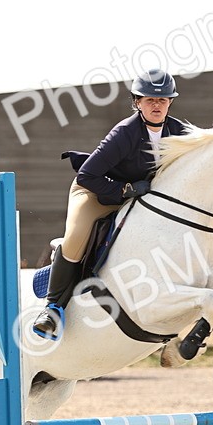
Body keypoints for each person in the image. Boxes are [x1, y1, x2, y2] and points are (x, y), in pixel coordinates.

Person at [31, 69, 188, 341]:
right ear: (137, 101)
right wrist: (124, 190)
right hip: (97, 191)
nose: (156, 105)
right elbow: (87, 175)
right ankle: (52, 308)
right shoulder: (125, 133)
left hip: (142, 198)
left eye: (162, 100)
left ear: (170, 103)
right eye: (150, 99)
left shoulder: (180, 132)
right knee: (77, 236)